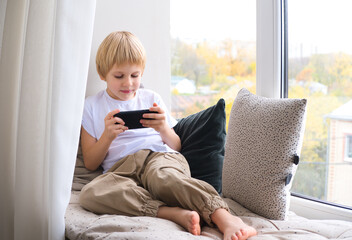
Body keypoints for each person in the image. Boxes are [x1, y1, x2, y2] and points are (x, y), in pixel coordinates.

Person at [79, 31, 257, 240]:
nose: (128, 83)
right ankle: (171, 213)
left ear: (142, 73)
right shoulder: (90, 106)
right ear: (102, 74)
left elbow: (176, 146)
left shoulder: (151, 98)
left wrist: (163, 128)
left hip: (158, 157)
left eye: (135, 75)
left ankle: (225, 217)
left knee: (163, 178)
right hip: (121, 170)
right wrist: (107, 136)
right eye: (119, 76)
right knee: (91, 193)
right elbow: (91, 163)